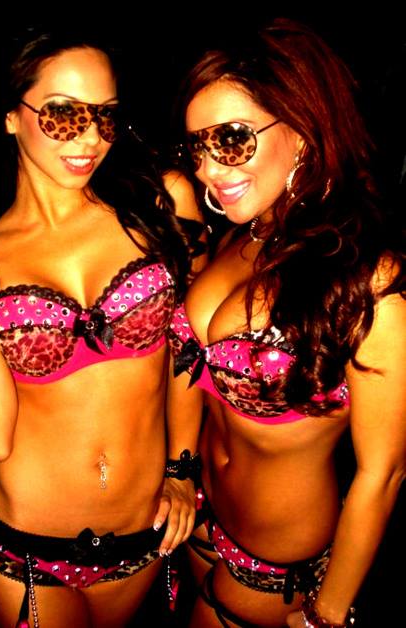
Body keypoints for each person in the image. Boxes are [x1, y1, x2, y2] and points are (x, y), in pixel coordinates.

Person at [0, 26, 204, 627]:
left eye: (105, 116)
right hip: (22, 551)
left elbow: (188, 347)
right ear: (12, 117)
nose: (90, 137)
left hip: (141, 539)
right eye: (63, 114)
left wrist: (182, 469)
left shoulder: (160, 205)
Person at [169, 17, 405, 628]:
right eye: (197, 148)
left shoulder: (370, 279)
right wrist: (178, 470)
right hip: (200, 520)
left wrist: (327, 615)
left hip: (275, 562)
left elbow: (382, 473)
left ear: (301, 132)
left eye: (230, 140)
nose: (208, 170)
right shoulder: (245, 235)